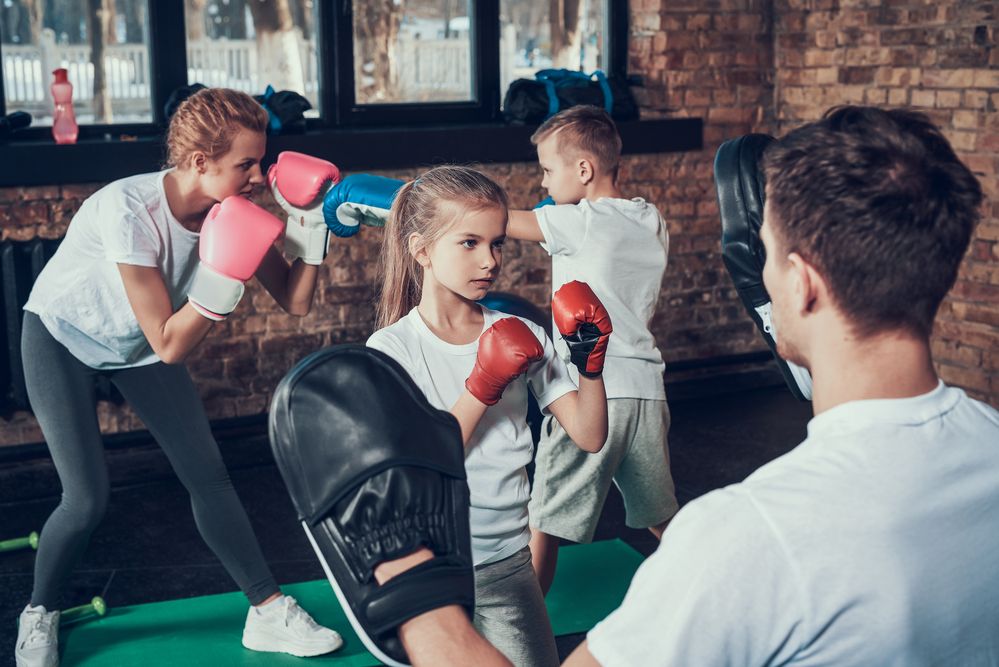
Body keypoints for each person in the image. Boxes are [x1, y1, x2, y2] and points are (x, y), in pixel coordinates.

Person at [328, 105, 999, 666]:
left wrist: (418, 608)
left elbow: (586, 430)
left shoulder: (741, 538)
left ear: (799, 283)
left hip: (498, 557)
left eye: (760, 254)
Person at [14, 88, 343, 667]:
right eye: (245, 164)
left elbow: (294, 301)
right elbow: (170, 343)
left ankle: (266, 610)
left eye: (261, 163)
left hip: (137, 344)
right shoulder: (128, 210)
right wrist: (221, 278)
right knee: (86, 499)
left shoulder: (235, 212)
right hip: (62, 334)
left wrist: (309, 229)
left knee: (209, 476)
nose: (258, 177)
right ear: (199, 163)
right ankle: (38, 612)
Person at [365, 165, 610, 666]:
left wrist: (591, 363)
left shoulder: (521, 332)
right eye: (469, 243)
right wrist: (483, 384)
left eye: (497, 243)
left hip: (507, 561)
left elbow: (588, 435)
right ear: (422, 249)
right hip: (429, 567)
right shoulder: (391, 348)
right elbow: (419, 462)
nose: (490, 260)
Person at [505, 105, 677, 594]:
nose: (542, 183)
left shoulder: (576, 221)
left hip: (591, 392)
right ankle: (719, 590)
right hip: (647, 392)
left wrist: (420, 198)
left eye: (546, 169)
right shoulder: (651, 219)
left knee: (544, 520)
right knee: (661, 514)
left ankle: (525, 628)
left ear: (583, 170)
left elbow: (496, 222)